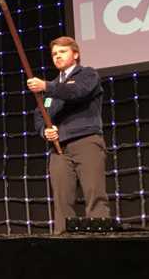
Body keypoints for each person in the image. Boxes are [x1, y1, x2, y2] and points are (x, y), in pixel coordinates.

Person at [27, 37, 110, 235]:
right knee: (61, 200)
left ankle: (101, 242)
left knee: (94, 194)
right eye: (54, 54)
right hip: (59, 150)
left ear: (75, 54)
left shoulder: (87, 75)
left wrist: (47, 86)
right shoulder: (52, 87)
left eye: (62, 52)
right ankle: (63, 242)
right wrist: (44, 131)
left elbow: (77, 92)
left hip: (86, 141)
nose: (57, 56)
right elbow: (40, 114)